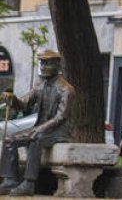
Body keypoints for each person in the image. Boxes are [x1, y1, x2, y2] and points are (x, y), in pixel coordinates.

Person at [0, 50, 75, 197]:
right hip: (41, 129)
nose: (42, 66)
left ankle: (29, 183)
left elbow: (60, 118)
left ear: (57, 65)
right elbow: (23, 104)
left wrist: (39, 129)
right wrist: (12, 98)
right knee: (9, 139)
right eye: (41, 63)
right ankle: (11, 180)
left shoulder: (67, 90)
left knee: (36, 138)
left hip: (59, 132)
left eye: (46, 63)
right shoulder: (40, 85)